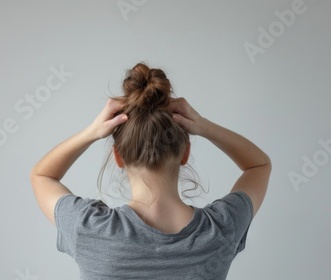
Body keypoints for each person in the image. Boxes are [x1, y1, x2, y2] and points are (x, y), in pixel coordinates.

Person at [30, 62, 271, 279]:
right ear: (185, 153)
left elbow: (42, 176)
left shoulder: (90, 229)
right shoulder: (220, 229)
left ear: (119, 157)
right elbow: (259, 165)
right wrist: (203, 125)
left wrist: (92, 132)